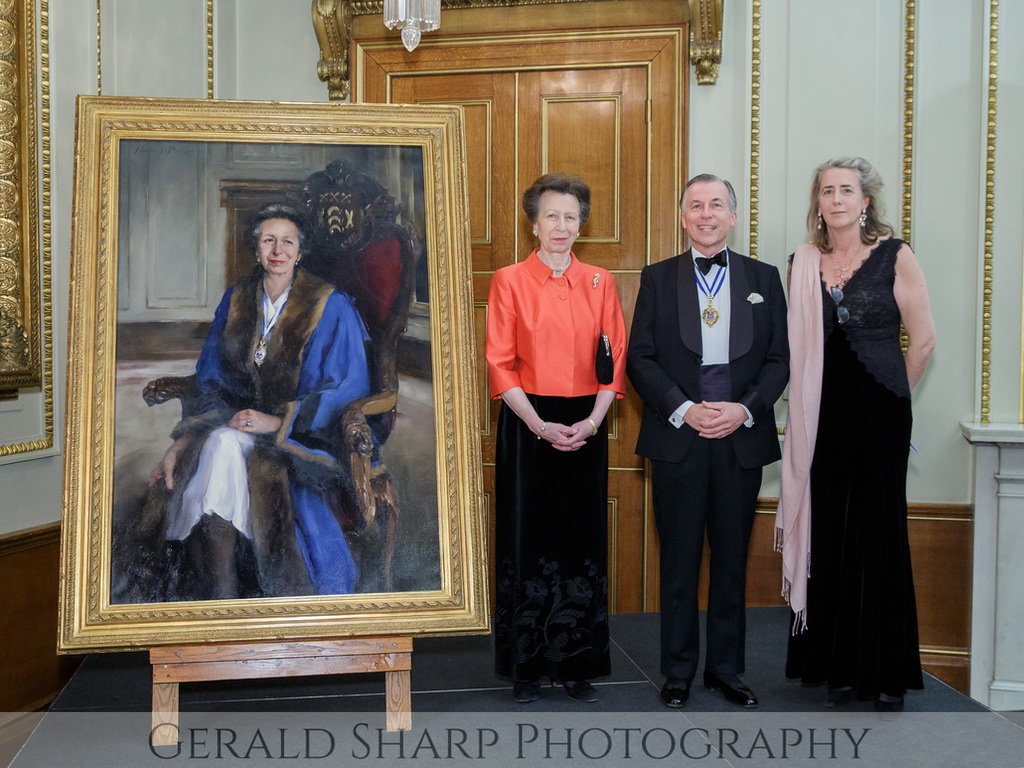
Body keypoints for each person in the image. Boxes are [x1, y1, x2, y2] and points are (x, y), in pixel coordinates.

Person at [147, 204, 372, 600]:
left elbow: (347, 388)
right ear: (256, 250)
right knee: (219, 445)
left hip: (305, 436)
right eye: (269, 240)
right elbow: (210, 379)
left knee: (230, 456)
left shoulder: (330, 305)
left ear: (300, 252)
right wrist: (182, 442)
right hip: (240, 423)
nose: (278, 250)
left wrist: (278, 421)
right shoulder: (236, 300)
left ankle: (230, 590)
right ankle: (223, 590)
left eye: (288, 242)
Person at [776, 157, 936, 712]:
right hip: (823, 419)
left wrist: (894, 396)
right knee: (831, 538)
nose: (838, 199)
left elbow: (924, 341)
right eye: (827, 191)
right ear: (817, 203)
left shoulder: (896, 253)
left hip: (880, 414)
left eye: (848, 190)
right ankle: (836, 669)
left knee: (879, 535)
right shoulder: (800, 263)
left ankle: (886, 674)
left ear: (866, 200)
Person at [627, 173, 789, 709]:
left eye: (716, 204)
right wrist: (685, 409)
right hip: (680, 437)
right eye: (695, 205)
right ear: (682, 217)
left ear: (733, 216)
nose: (706, 214)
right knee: (677, 562)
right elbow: (640, 358)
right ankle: (677, 674)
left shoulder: (764, 277)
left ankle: (727, 671)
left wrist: (743, 409)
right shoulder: (656, 277)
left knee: (730, 562)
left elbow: (778, 360)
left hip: (740, 437)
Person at [486, 173, 627, 704]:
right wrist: (540, 425)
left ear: (582, 223)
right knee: (527, 540)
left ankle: (575, 663)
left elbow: (614, 366)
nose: (561, 226)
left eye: (571, 216)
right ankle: (525, 666)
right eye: (551, 215)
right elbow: (499, 364)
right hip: (528, 424)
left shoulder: (600, 282)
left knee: (579, 541)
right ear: (533, 221)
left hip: (586, 423)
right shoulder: (509, 280)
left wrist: (591, 424)